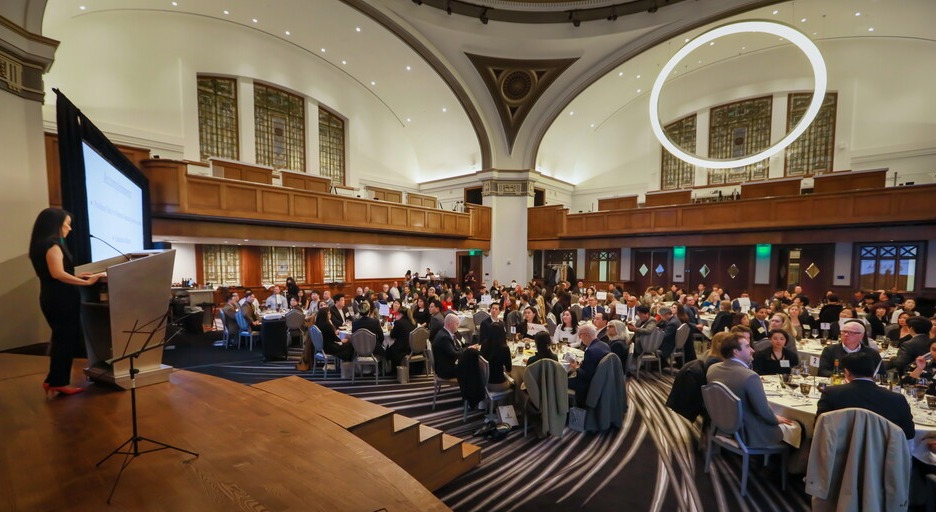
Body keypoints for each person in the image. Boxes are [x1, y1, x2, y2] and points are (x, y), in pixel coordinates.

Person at [29, 208, 103, 396]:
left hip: (50, 296)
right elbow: (58, 274)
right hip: (61, 299)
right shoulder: (53, 244)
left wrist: (77, 275)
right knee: (65, 341)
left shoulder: (39, 244)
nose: (69, 228)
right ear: (55, 225)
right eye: (66, 224)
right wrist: (87, 281)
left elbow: (51, 274)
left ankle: (53, 380)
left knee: (60, 340)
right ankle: (58, 382)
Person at [706, 333, 793, 448]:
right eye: (747, 347)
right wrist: (776, 419)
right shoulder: (750, 376)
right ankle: (784, 464)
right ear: (735, 352)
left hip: (722, 425)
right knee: (796, 427)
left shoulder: (712, 369)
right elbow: (764, 413)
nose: (752, 350)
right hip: (747, 433)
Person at [816, 351, 915, 440]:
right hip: (881, 456)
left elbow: (819, 426)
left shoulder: (831, 393)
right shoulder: (897, 399)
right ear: (873, 373)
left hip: (840, 452)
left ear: (847, 372)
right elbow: (909, 433)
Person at [567, 324, 611, 407]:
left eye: (580, 335)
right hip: (602, 381)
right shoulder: (604, 345)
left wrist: (576, 367)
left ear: (586, 335)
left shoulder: (590, 351)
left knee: (561, 380)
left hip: (589, 385)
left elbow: (586, 376)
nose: (580, 338)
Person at [432, 314, 478, 379]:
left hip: (446, 365)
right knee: (473, 365)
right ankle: (471, 387)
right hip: (446, 371)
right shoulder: (444, 337)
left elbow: (456, 350)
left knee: (471, 362)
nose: (458, 326)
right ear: (451, 324)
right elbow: (454, 354)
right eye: (457, 324)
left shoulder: (444, 332)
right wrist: (468, 349)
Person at [480, 322, 512, 392]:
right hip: (498, 384)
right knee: (516, 383)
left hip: (485, 381)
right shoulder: (504, 348)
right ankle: (510, 402)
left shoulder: (484, 345)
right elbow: (509, 369)